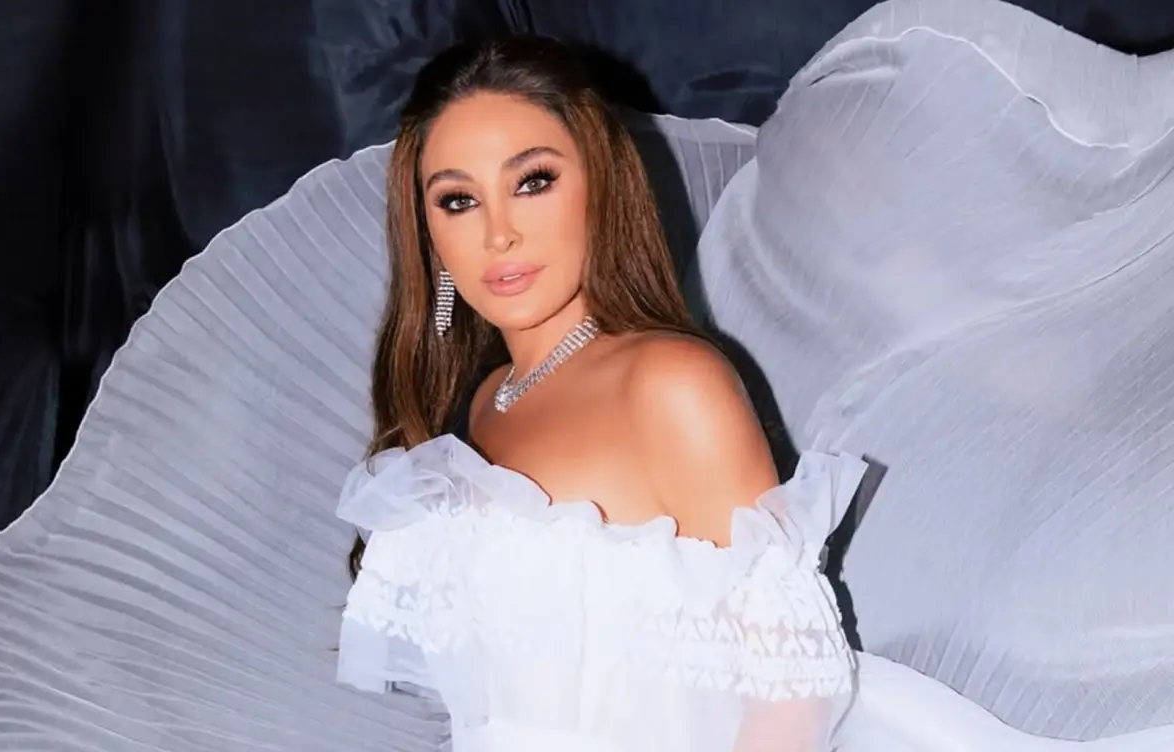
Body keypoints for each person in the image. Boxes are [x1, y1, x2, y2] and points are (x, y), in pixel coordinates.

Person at [335, 35, 866, 751]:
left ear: (601, 186)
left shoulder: (671, 384)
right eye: (459, 200)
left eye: (533, 182)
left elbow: (791, 696)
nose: (499, 234)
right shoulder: (485, 402)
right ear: (428, 235)